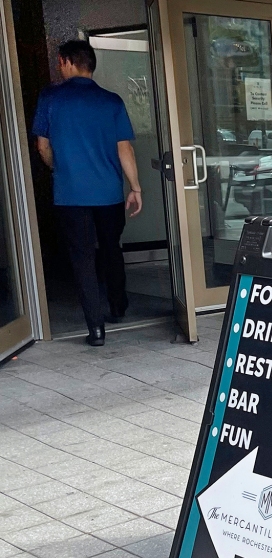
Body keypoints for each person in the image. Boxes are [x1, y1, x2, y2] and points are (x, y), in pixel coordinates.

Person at [33, 40, 142, 347]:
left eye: (59, 62)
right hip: (109, 193)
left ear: (68, 62)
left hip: (70, 194)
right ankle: (118, 305)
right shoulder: (111, 101)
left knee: (81, 258)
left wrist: (58, 168)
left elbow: (42, 146)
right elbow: (125, 149)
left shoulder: (50, 97)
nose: (58, 66)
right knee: (110, 247)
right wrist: (135, 187)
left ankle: (95, 329)